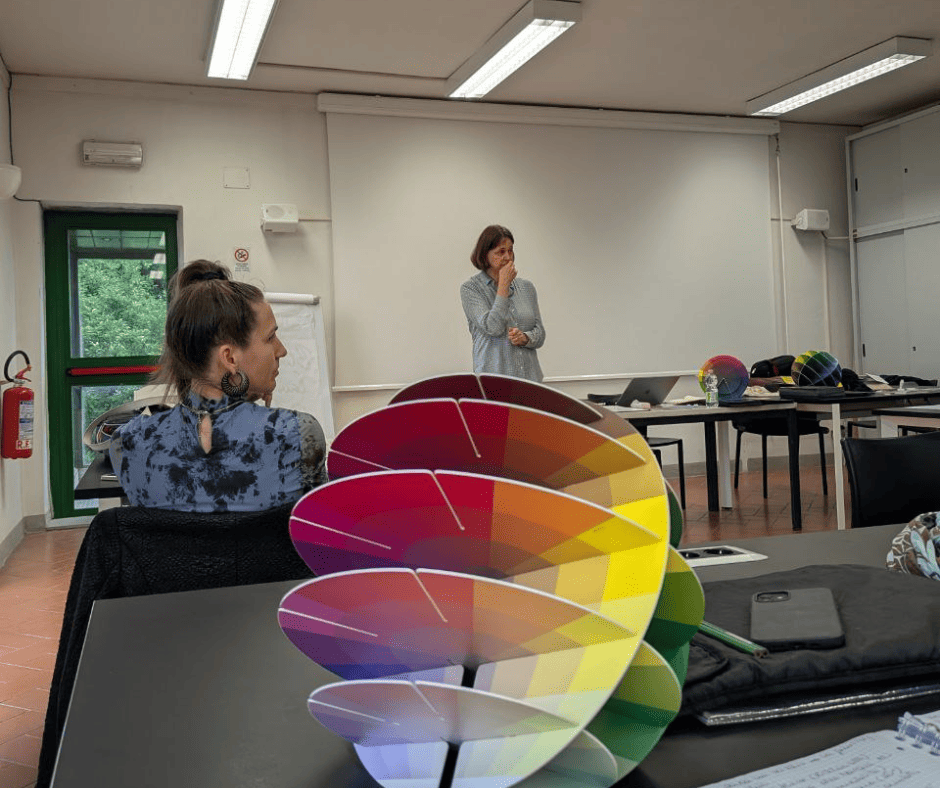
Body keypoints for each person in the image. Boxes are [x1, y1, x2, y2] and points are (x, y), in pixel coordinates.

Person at [109, 260, 327, 511]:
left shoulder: (129, 441)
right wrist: (258, 413)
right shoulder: (295, 433)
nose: (282, 350)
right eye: (270, 337)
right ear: (230, 358)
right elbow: (317, 531)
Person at [460, 224, 546, 382]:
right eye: (501, 251)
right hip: (494, 385)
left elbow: (540, 333)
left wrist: (526, 338)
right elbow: (493, 327)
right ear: (485, 254)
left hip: (530, 382)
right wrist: (503, 286)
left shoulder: (526, 287)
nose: (508, 257)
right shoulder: (471, 289)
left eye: (510, 250)